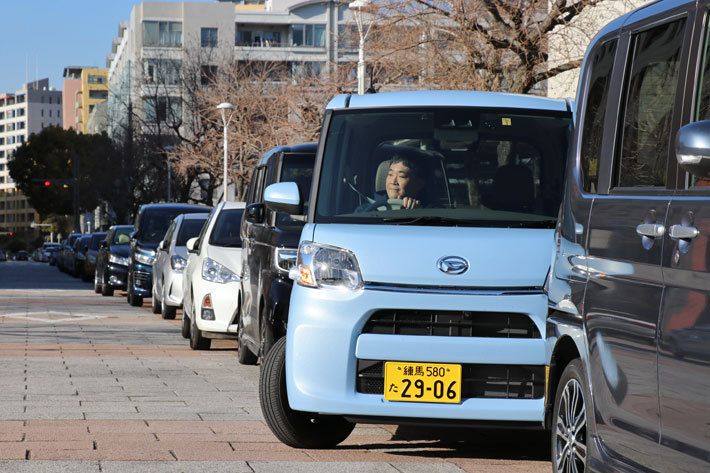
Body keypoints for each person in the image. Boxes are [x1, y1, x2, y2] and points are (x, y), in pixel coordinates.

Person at [356, 153, 429, 212]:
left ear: (419, 184)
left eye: (402, 176)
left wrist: (418, 214)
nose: (393, 182)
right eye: (390, 174)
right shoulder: (365, 211)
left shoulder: (432, 211)